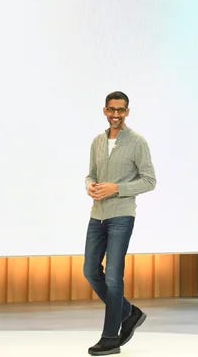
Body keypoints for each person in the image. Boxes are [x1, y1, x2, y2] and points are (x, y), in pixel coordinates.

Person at [83, 91, 156, 355]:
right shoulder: (97, 142)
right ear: (104, 110)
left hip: (122, 215)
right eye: (112, 110)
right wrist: (90, 186)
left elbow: (149, 180)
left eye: (121, 110)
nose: (116, 115)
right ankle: (129, 312)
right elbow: (91, 173)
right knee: (90, 271)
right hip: (97, 215)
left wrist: (117, 188)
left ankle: (110, 337)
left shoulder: (137, 142)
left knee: (113, 277)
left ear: (127, 111)